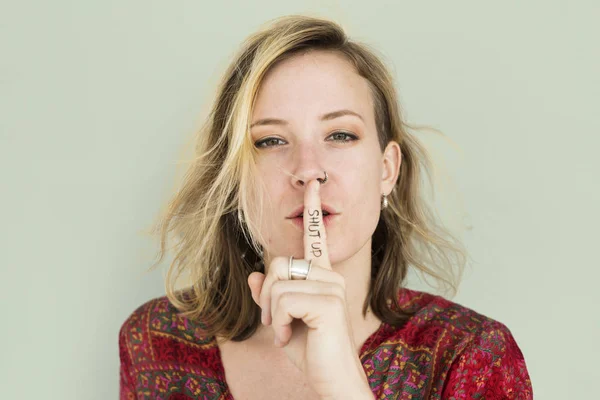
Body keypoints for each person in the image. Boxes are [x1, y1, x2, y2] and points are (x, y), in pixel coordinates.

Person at [118, 15, 533, 399]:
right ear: (235, 183)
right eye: (270, 141)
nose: (308, 170)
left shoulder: (472, 357)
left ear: (387, 169)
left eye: (340, 135)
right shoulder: (157, 341)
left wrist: (342, 384)